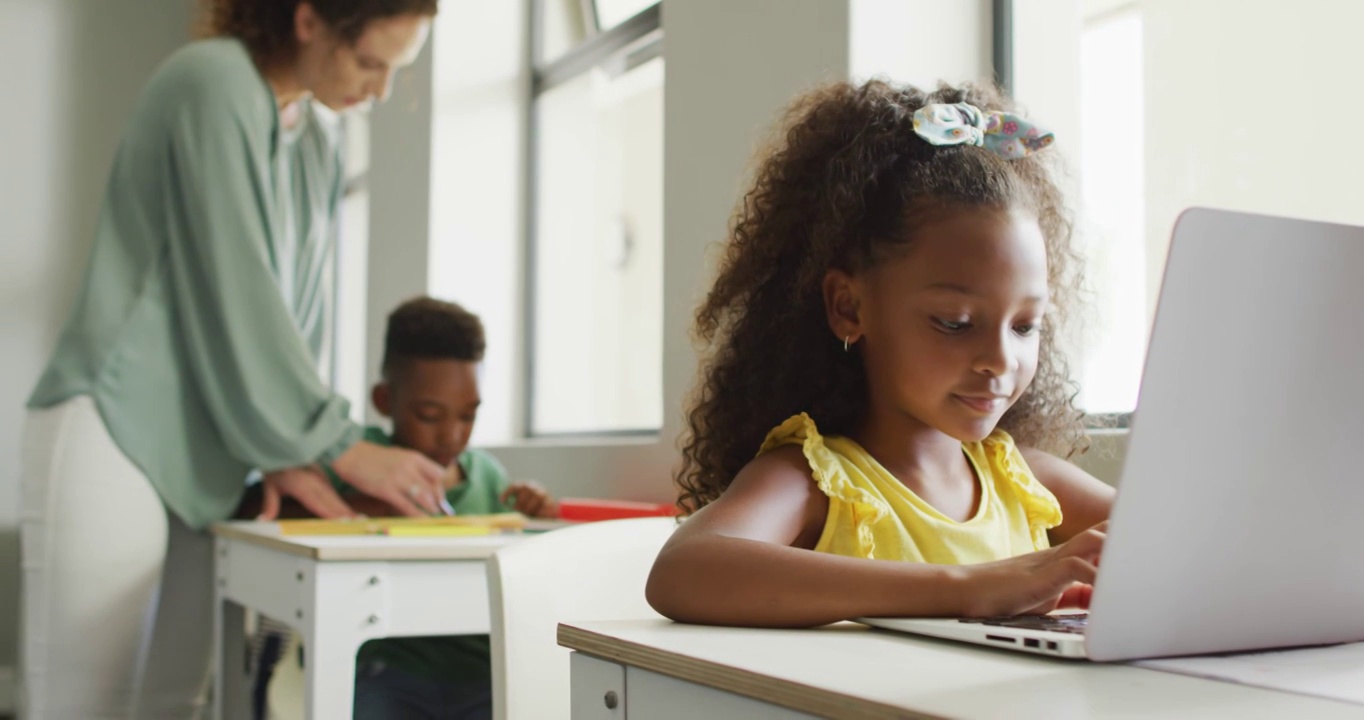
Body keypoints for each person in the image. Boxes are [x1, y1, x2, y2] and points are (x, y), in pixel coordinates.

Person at [20, 2, 446, 717]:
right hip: (116, 426)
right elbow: (233, 285)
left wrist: (286, 452)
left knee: (174, 701)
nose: (377, 91)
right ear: (308, 19)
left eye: (393, 73)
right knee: (80, 705)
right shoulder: (210, 82)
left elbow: (295, 315)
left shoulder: (317, 138)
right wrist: (335, 443)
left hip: (215, 450)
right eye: (369, 63)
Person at [645, 80, 1116, 628]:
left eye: (1026, 326)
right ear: (848, 306)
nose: (1000, 359)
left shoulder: (1027, 479)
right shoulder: (815, 480)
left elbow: (1185, 544)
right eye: (956, 323)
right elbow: (682, 571)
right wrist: (972, 586)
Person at [335, 296, 559, 719]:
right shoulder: (358, 459)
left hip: (481, 671)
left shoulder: (489, 476)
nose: (452, 436)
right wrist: (368, 509)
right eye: (430, 415)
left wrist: (535, 512)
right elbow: (270, 512)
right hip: (388, 667)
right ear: (385, 400)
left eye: (468, 415)